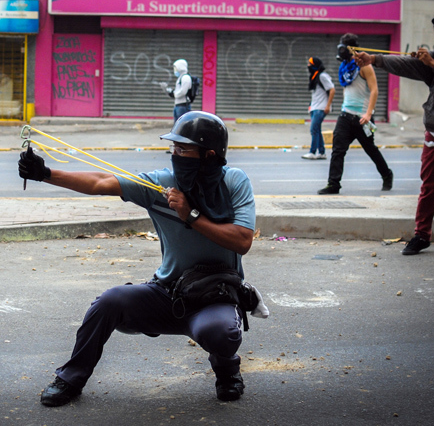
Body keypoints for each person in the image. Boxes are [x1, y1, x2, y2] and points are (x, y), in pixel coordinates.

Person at [18, 111, 257, 407]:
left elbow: (243, 241)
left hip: (215, 298)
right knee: (108, 302)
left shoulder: (234, 182)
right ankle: (70, 378)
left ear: (208, 155)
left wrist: (191, 215)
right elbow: (101, 181)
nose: (175, 155)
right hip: (168, 294)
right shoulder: (162, 185)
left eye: (183, 149)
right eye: (174, 149)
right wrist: (46, 174)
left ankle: (227, 371)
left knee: (220, 332)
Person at [354, 15, 434, 262]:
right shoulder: (433, 56)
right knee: (427, 188)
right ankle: (422, 235)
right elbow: (404, 64)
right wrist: (374, 59)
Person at [317, 33, 393, 194]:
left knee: (370, 149)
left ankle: (387, 175)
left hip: (361, 118)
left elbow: (374, 90)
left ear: (352, 49)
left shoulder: (364, 66)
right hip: (345, 115)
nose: (341, 50)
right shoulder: (344, 67)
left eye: (344, 46)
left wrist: (368, 114)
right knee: (338, 150)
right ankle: (333, 184)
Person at [302, 56, 335, 160]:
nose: (308, 66)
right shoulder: (314, 77)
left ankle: (312, 152)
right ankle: (321, 152)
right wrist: (311, 106)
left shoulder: (322, 76)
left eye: (310, 64)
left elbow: (332, 90)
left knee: (314, 129)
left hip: (321, 108)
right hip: (315, 107)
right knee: (317, 130)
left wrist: (328, 105)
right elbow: (316, 94)